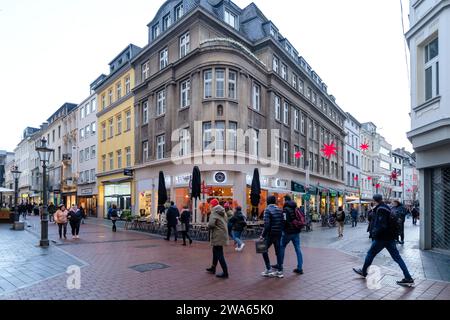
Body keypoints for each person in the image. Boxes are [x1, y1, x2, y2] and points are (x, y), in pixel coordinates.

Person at [353, 194, 414, 286]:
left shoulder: (381, 209)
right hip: (390, 238)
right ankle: (408, 277)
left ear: (374, 200)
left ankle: (364, 271)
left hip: (382, 238)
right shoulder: (386, 207)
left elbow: (382, 224)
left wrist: (374, 232)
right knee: (397, 258)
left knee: (370, 253)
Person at [259, 195, 284, 278]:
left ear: (267, 201)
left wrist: (262, 235)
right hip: (278, 233)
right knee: (278, 252)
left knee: (262, 249)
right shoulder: (280, 210)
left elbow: (267, 225)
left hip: (270, 234)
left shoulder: (267, 210)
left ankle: (268, 268)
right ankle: (280, 270)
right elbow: (283, 222)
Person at [278, 196, 304, 275]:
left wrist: (282, 230)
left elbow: (284, 221)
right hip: (296, 231)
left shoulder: (285, 209)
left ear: (286, 200)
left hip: (288, 232)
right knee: (298, 249)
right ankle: (300, 268)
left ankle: (280, 265)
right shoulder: (296, 208)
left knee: (282, 246)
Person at [206, 199, 229, 279]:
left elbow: (211, 224)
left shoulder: (214, 212)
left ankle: (225, 272)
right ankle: (213, 268)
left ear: (212, 205)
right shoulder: (223, 212)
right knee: (215, 251)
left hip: (217, 234)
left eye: (210, 204)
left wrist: (207, 224)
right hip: (222, 233)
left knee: (219, 254)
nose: (209, 205)